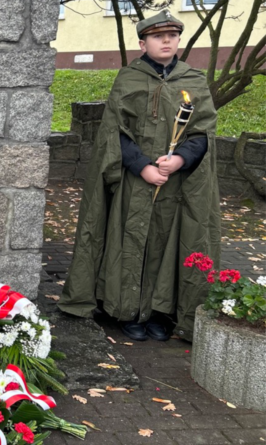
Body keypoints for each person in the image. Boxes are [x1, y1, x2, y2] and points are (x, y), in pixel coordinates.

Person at [58, 11, 220, 342]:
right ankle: (127, 310)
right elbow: (113, 131)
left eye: (172, 36)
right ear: (142, 42)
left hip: (176, 184)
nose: (166, 41)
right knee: (131, 241)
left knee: (168, 242)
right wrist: (142, 165)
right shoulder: (128, 79)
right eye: (158, 36)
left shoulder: (193, 80)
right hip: (134, 180)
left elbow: (204, 133)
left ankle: (160, 313)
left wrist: (179, 161)